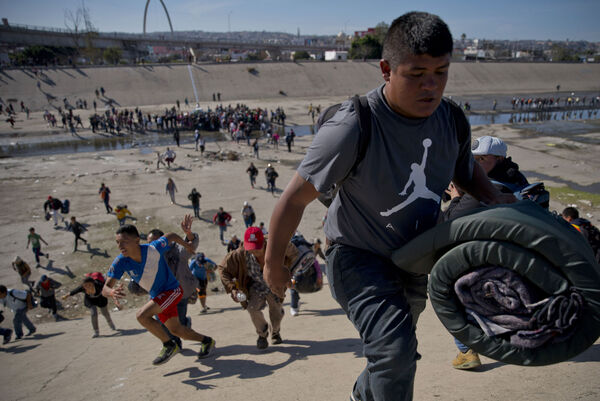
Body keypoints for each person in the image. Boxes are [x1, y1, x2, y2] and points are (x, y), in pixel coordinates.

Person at [262, 12, 515, 401]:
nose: (431, 85)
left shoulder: (451, 119)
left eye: (441, 72)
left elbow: (464, 171)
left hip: (415, 260)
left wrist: (494, 196)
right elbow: (292, 200)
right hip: (357, 256)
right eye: (416, 73)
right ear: (386, 69)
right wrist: (271, 265)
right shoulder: (354, 125)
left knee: (393, 355)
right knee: (395, 353)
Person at [102, 224, 215, 365]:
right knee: (177, 331)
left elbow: (171, 236)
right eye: (118, 242)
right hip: (158, 297)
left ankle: (169, 345)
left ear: (137, 240)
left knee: (142, 315)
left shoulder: (152, 249)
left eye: (124, 241)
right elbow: (105, 288)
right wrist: (111, 292)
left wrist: (187, 244)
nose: (120, 246)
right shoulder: (120, 261)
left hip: (173, 291)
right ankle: (207, 341)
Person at [219, 227, 298, 349]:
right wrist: (232, 288)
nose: (255, 251)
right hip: (256, 286)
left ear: (264, 242)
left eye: (258, 247)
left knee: (277, 312)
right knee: (252, 309)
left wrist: (291, 276)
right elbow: (223, 269)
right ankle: (262, 334)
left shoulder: (278, 246)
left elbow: (295, 256)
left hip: (274, 285)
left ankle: (275, 333)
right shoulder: (241, 254)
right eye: (251, 248)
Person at [147, 215, 199, 335]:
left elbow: (190, 246)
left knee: (178, 324)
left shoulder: (176, 250)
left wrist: (189, 233)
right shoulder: (147, 256)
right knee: (162, 323)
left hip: (180, 294)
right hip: (159, 295)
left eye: (155, 242)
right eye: (149, 243)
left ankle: (185, 323)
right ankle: (174, 344)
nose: (152, 246)